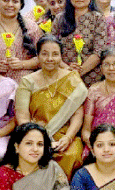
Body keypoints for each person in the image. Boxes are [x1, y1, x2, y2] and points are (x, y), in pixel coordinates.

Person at [15, 35, 86, 179]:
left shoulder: (72, 79)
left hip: (65, 134)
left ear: (61, 56)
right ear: (38, 56)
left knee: (72, 155)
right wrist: (35, 138)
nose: (50, 59)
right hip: (35, 132)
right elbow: (22, 116)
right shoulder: (27, 81)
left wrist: (68, 138)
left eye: (55, 54)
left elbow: (77, 115)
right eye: (45, 54)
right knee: (32, 153)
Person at [52, 0, 108, 87]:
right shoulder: (60, 18)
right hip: (63, 75)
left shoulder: (98, 18)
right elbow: (52, 48)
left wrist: (78, 72)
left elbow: (99, 52)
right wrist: (67, 69)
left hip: (92, 77)